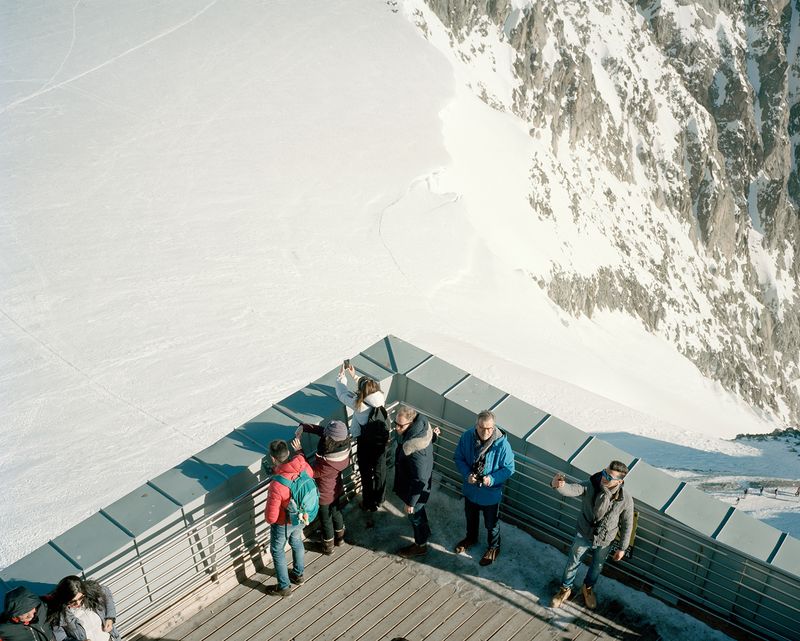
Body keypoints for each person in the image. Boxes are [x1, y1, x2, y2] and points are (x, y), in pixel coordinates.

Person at [550, 461, 634, 610]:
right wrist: (558, 485)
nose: (604, 477)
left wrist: (622, 548)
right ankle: (565, 589)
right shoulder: (591, 485)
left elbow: (628, 524)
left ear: (620, 481)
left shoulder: (625, 499)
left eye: (609, 476)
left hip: (605, 540)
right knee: (572, 563)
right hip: (584, 534)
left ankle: (587, 588)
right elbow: (572, 489)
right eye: (604, 472)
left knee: (597, 567)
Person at [453, 410, 515, 566]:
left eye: (489, 428)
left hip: (490, 493)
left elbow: (509, 468)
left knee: (491, 523)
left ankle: (494, 547)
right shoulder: (467, 437)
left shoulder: (503, 445)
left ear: (494, 427)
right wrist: (467, 474)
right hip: (471, 489)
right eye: (482, 427)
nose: (485, 431)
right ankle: (471, 538)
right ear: (476, 425)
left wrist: (492, 479)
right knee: (471, 517)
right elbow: (459, 457)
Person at [264, 439, 315, 597]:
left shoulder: (277, 485)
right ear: (288, 453)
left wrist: (277, 475)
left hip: (284, 522)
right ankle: (298, 575)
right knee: (296, 540)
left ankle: (284, 587)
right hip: (303, 515)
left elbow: (271, 518)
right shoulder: (302, 464)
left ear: (273, 458)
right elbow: (310, 474)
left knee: (277, 550)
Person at [335, 365, 388, 516]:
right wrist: (356, 377)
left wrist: (342, 378)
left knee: (366, 474)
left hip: (365, 443)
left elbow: (342, 393)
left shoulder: (358, 404)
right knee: (380, 471)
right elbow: (369, 389)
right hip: (380, 442)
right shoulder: (380, 398)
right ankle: (380, 499)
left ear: (361, 391)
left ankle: (369, 503)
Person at [296, 420, 351, 554]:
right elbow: (324, 432)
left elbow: (311, 472)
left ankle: (328, 546)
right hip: (336, 489)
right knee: (337, 513)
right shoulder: (342, 445)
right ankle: (340, 538)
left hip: (324, 494)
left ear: (330, 439)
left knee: (326, 520)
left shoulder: (327, 464)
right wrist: (304, 427)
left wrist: (299, 451)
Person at [393, 405, 434, 558]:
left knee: (415, 516)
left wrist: (411, 502)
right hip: (414, 486)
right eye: (395, 423)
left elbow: (420, 479)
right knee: (420, 513)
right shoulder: (421, 431)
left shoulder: (416, 450)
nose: (396, 428)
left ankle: (420, 545)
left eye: (400, 425)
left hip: (414, 491)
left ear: (411, 424)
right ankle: (426, 532)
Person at [46, 576, 119, 641]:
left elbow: (107, 594)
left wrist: (110, 618)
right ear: (64, 600)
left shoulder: (92, 595)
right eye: (72, 601)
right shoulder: (58, 615)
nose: (78, 603)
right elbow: (61, 638)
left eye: (81, 598)